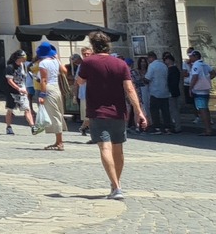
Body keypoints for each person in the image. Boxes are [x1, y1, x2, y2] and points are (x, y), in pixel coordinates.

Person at [77, 30, 148, 200]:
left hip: (97, 111)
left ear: (93, 45)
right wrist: (139, 112)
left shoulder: (88, 62)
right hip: (118, 111)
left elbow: (80, 81)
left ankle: (115, 186)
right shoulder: (120, 64)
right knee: (118, 148)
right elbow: (130, 89)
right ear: (109, 45)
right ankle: (117, 184)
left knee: (105, 147)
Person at [35, 41, 66, 151]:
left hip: (48, 88)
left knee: (54, 115)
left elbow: (43, 79)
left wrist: (42, 94)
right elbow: (64, 71)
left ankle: (60, 142)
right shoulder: (55, 61)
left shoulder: (43, 63)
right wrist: (58, 59)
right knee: (58, 112)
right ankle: (58, 140)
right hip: (56, 87)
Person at [186, 50, 215, 136]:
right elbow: (213, 73)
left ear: (195, 57)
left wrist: (190, 88)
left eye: (191, 56)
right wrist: (207, 80)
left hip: (199, 91)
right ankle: (209, 128)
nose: (190, 58)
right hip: (205, 89)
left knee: (202, 110)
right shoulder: (204, 64)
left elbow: (195, 77)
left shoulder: (196, 65)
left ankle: (208, 130)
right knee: (206, 109)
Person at [3, 50, 32, 135]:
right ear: (18, 58)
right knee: (10, 110)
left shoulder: (24, 66)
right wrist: (18, 89)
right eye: (23, 58)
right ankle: (8, 127)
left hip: (23, 91)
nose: (24, 59)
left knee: (27, 109)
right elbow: (9, 81)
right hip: (12, 92)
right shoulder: (10, 67)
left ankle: (33, 126)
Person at [144, 51, 173, 134]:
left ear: (151, 57)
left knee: (154, 110)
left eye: (148, 58)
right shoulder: (164, 65)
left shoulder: (152, 66)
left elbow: (148, 78)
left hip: (155, 91)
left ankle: (157, 128)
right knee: (165, 111)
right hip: (164, 91)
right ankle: (167, 128)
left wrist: (143, 79)